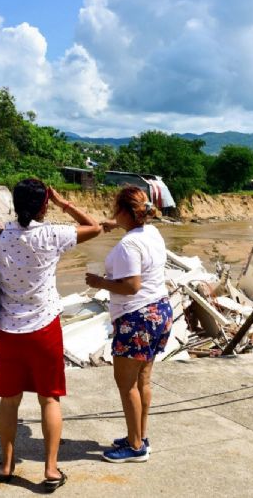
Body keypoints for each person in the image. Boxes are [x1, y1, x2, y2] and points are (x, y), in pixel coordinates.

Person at [0, 178, 101, 490]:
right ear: (44, 206)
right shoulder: (53, 234)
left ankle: (6, 465)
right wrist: (65, 205)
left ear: (14, 204)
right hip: (45, 329)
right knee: (50, 400)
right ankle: (50, 470)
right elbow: (96, 227)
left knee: (9, 402)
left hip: (7, 331)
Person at [84, 186, 173, 463]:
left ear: (123, 211)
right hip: (159, 311)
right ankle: (140, 435)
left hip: (137, 318)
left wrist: (99, 282)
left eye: (114, 210)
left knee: (126, 385)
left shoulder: (128, 245)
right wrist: (116, 223)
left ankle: (135, 447)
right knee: (143, 379)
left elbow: (132, 286)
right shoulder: (151, 232)